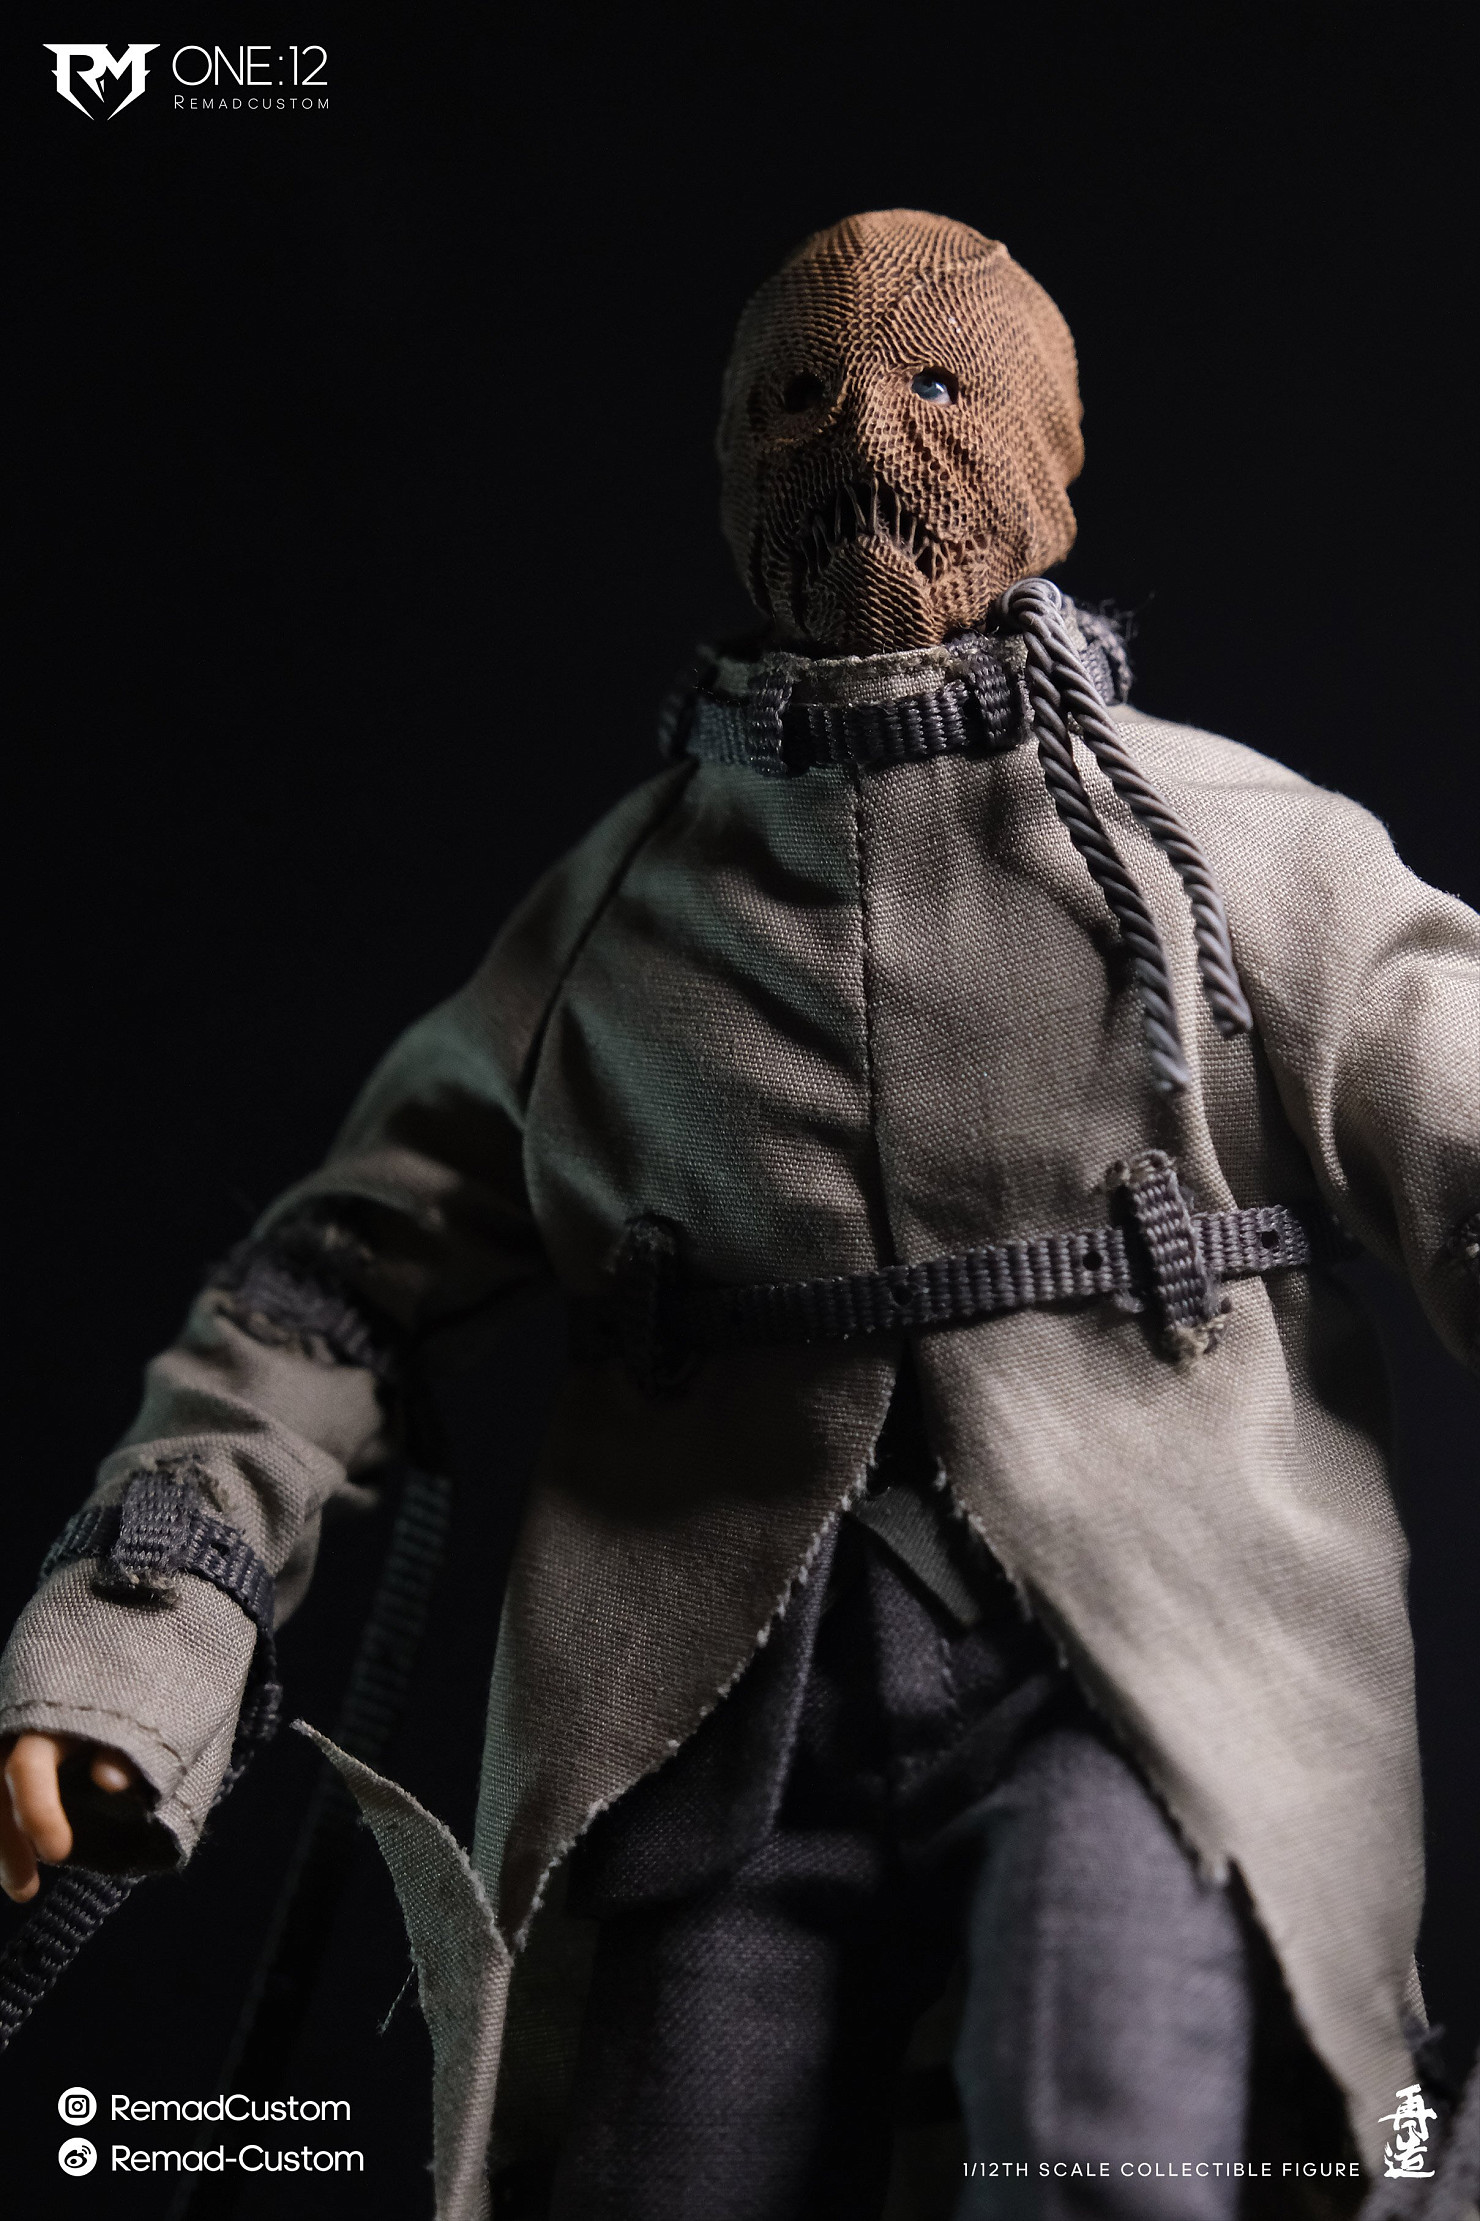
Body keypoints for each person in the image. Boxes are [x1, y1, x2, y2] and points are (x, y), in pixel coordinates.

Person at [3, 210, 1476, 2221]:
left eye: (936, 385)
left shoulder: (1227, 861)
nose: (863, 434)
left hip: (1146, 1691)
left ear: (1046, 457)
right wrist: (138, 1647)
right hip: (714, 1734)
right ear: (727, 469)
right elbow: (325, 1294)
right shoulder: (619, 927)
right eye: (798, 396)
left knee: (1108, 2128)